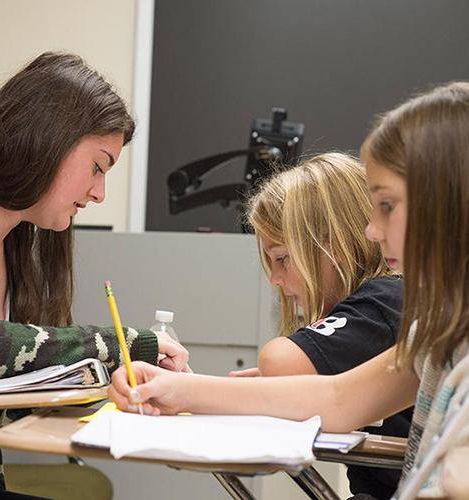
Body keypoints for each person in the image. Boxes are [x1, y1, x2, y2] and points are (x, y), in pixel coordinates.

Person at [110, 81, 469, 499]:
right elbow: (339, 398)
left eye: (387, 205)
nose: (372, 230)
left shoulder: (405, 308)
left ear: (449, 202)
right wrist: (176, 390)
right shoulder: (439, 331)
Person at [0, 51, 189, 493]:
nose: (99, 193)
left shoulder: (16, 244)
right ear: (46, 138)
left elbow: (10, 384)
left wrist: (108, 377)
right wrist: (120, 344)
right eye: (97, 167)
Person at [228, 153, 410, 498]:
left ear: (334, 245)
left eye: (282, 258)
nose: (276, 280)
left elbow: (280, 363)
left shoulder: (383, 303)